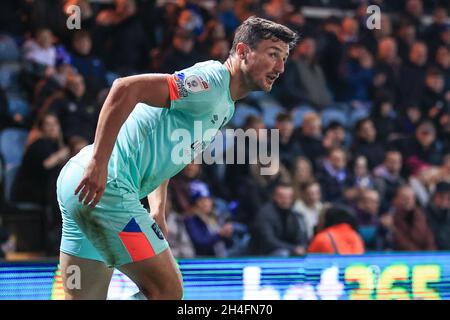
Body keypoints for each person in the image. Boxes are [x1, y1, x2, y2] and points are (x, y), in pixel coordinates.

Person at [56, 16, 297, 300]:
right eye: (273, 55)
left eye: (283, 58)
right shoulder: (210, 83)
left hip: (77, 183)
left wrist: (157, 206)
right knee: (167, 292)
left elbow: (172, 148)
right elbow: (124, 88)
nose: (280, 67)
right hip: (106, 187)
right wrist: (100, 162)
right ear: (243, 52)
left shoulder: (225, 104)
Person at [249, 183, 308, 257]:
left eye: (289, 197)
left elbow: (301, 236)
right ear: (275, 197)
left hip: (288, 250)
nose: (286, 200)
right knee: (283, 253)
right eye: (282, 197)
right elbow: (269, 241)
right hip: (263, 255)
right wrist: (293, 248)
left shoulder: (295, 214)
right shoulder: (265, 214)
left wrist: (301, 246)